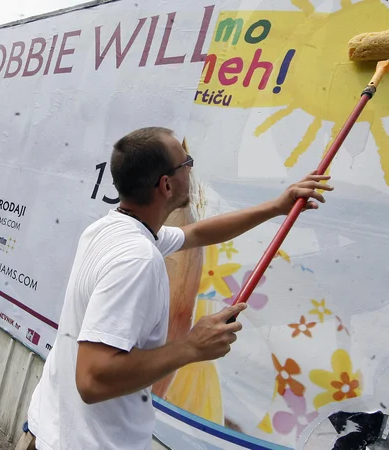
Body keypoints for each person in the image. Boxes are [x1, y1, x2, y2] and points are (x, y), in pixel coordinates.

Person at [18, 127, 333, 450]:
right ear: (166, 185)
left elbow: (197, 233)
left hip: (52, 428)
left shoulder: (112, 229)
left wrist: (276, 207)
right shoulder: (138, 259)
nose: (191, 169)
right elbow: (92, 380)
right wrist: (190, 347)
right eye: (186, 163)